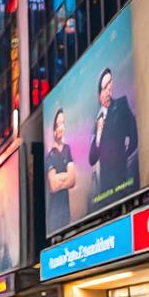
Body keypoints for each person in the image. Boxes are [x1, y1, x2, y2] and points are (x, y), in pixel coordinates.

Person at [88, 66, 138, 203]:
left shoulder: (121, 104)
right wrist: (98, 134)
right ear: (99, 95)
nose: (109, 88)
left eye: (110, 82)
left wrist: (123, 158)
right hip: (105, 192)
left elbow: (134, 137)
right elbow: (92, 158)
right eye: (105, 87)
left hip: (123, 184)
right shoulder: (98, 120)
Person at [45, 106, 76, 231]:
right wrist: (66, 175)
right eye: (58, 124)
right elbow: (53, 185)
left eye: (62, 123)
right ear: (54, 129)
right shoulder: (50, 155)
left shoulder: (67, 149)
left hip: (66, 211)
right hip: (54, 216)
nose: (60, 127)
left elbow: (72, 180)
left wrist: (60, 177)